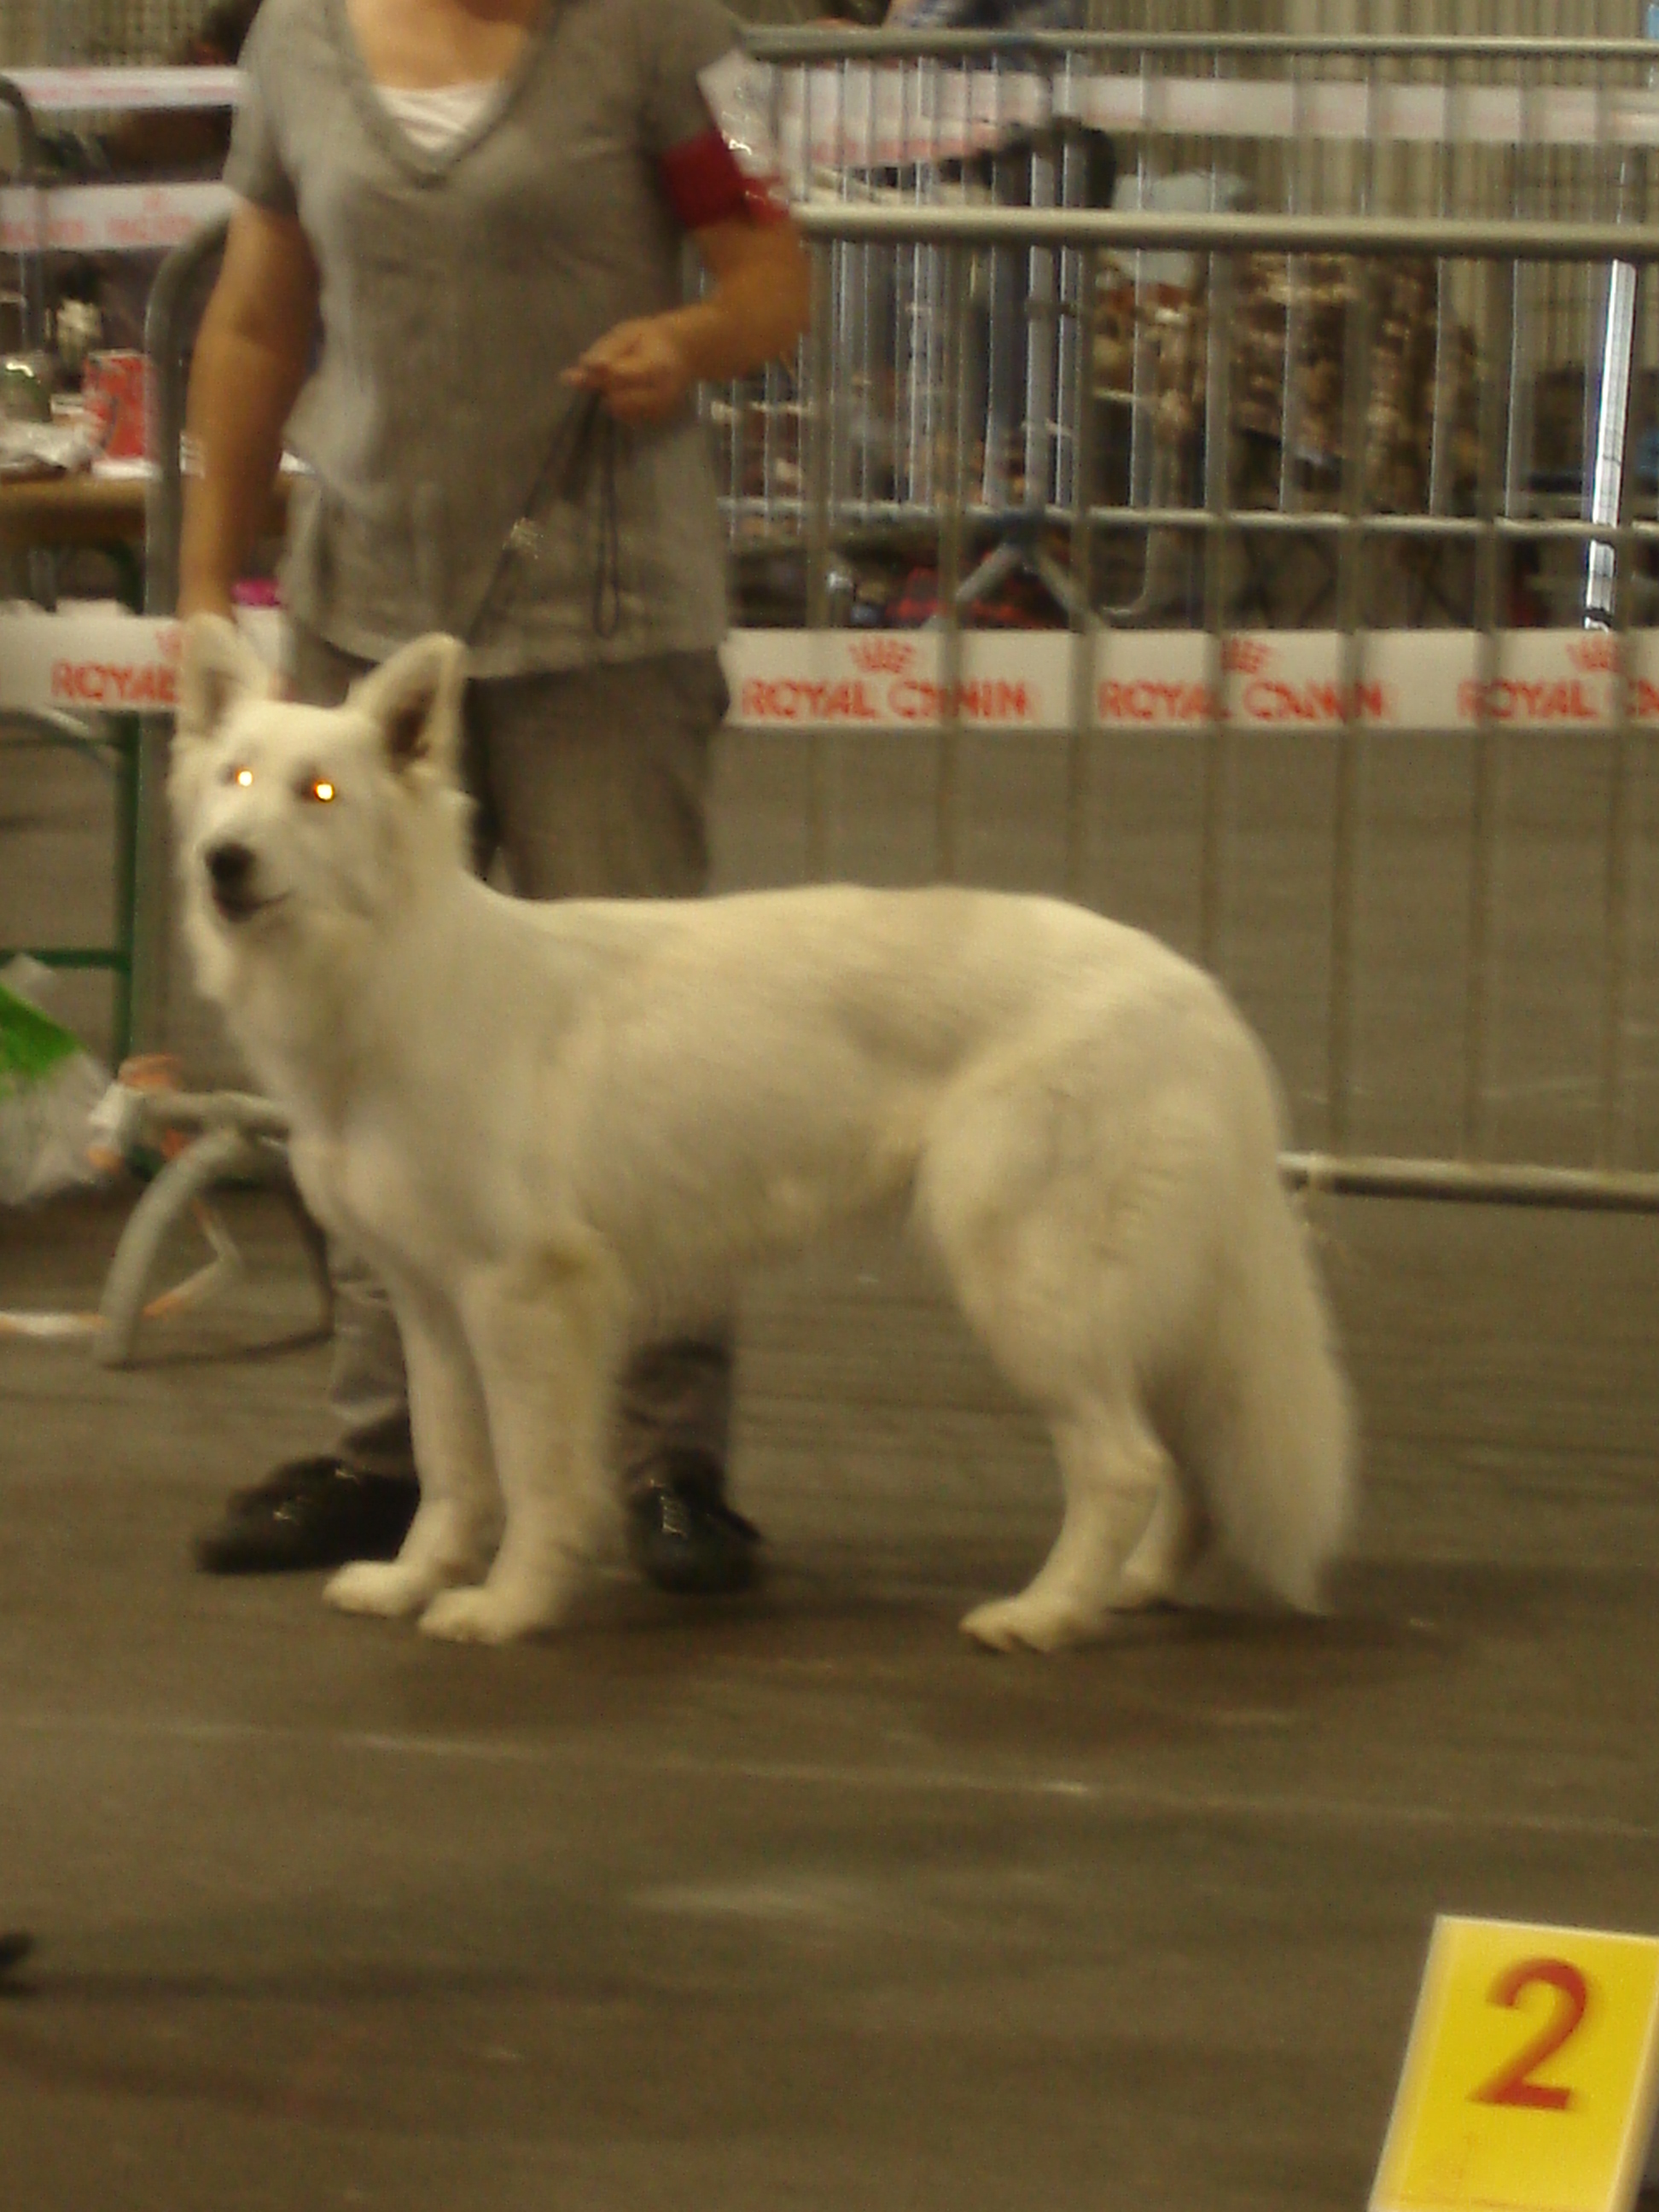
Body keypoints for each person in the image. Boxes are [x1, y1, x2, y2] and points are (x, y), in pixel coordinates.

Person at [183, 0, 811, 1594]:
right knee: (355, 1080)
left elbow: (768, 277)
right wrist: (205, 596)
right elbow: (259, 324)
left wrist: (691, 340)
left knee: (653, 1070)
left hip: (604, 623)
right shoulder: (298, 51)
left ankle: (670, 1466)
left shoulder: (658, 39)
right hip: (360, 628)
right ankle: (393, 1460)